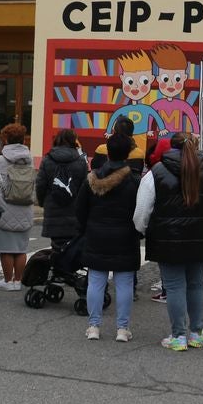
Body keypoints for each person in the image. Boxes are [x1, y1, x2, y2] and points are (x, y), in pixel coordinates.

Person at [134, 132, 203, 351]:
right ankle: (197, 332)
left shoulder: (156, 173)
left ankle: (178, 336)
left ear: (169, 148)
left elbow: (142, 209)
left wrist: (144, 230)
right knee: (196, 285)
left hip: (168, 238)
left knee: (174, 286)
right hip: (201, 236)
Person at [77, 133, 142, 342]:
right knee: (124, 283)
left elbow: (79, 210)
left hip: (96, 234)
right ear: (128, 153)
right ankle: (122, 329)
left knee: (96, 281)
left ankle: (94, 326)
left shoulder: (92, 178)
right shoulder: (134, 180)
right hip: (125, 235)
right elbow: (141, 210)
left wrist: (87, 228)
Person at [0, 123, 35, 291]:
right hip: (25, 205)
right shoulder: (29, 158)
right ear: (23, 139)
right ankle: (18, 280)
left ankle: (8, 281)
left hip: (5, 206)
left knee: (6, 248)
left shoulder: (2, 160)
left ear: (6, 139)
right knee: (21, 248)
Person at [34, 128, 88, 252]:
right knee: (72, 246)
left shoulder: (47, 159)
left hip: (53, 209)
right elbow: (84, 188)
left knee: (56, 245)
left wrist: (43, 203)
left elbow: (40, 185)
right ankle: (67, 268)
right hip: (74, 210)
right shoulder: (80, 161)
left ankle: (57, 266)